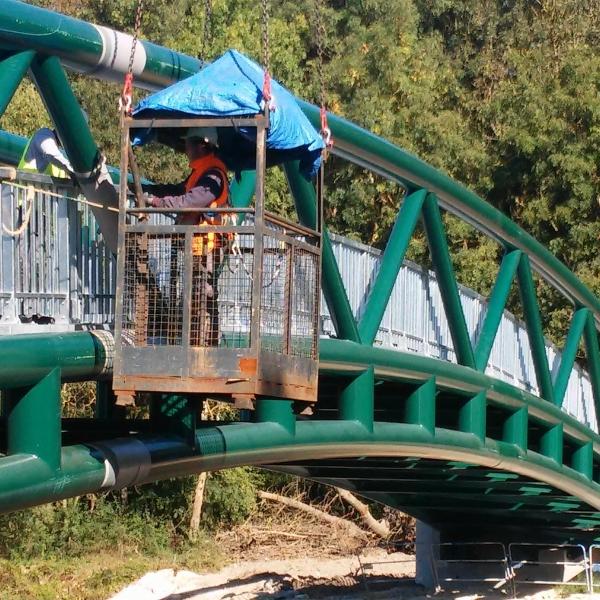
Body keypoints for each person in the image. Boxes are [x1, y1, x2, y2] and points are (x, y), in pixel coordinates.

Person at [143, 127, 230, 347]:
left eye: (189, 144)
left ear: (202, 144)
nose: (186, 149)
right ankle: (196, 345)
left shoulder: (212, 176)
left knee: (203, 296)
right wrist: (149, 191)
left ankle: (204, 349)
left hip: (207, 246)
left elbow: (188, 201)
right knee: (196, 297)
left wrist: (155, 202)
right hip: (197, 245)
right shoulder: (200, 174)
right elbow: (178, 191)